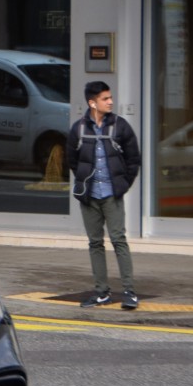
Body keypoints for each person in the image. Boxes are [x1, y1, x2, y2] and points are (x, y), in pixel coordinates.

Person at [69, 81, 141, 309]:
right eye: (105, 98)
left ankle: (129, 292)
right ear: (92, 103)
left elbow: (133, 160)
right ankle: (101, 292)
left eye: (110, 97)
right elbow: (72, 160)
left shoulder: (121, 126)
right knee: (95, 243)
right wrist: (84, 182)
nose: (110, 102)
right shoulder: (78, 128)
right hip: (89, 196)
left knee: (119, 240)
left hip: (112, 194)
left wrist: (122, 185)